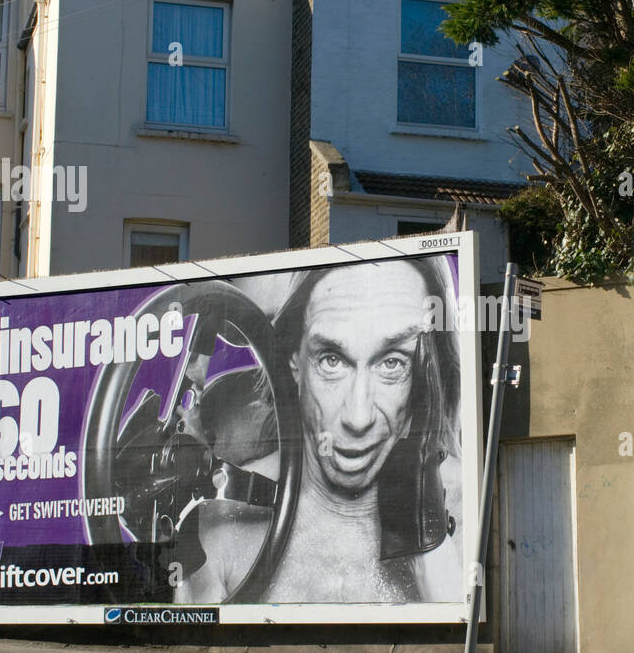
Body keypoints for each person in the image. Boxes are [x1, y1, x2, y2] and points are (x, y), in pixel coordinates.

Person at [177, 258, 463, 603]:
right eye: (332, 360)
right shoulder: (220, 525)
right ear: (293, 361)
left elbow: (465, 639)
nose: (358, 419)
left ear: (426, 377)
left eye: (392, 363)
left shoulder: (465, 505)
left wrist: (428, 545)